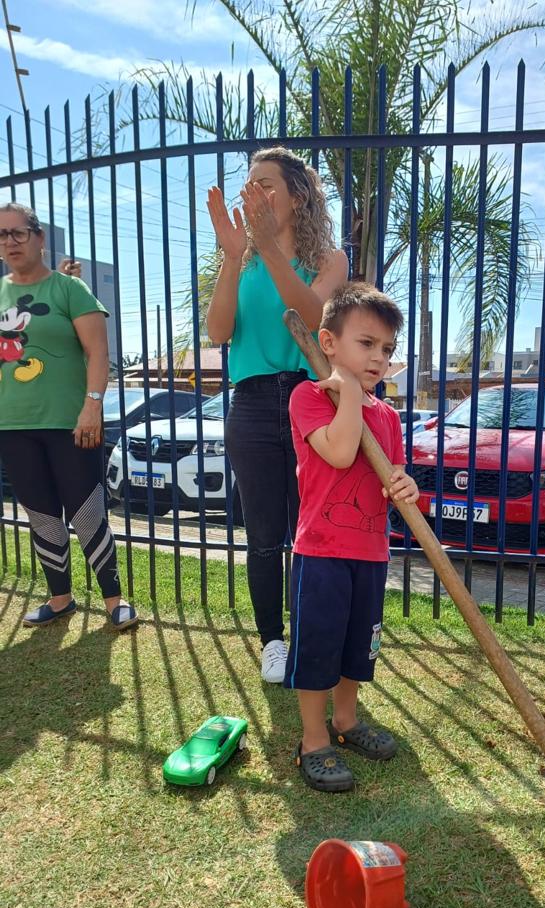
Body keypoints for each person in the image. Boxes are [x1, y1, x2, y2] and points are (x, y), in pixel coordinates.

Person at [206, 147, 348, 683]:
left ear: (299, 195)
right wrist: (232, 256)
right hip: (252, 402)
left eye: (267, 184)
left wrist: (267, 248)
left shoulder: (329, 259)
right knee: (264, 534)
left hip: (310, 399)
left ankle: (310, 632)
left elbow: (312, 317)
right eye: (251, 185)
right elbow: (218, 332)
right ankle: (272, 640)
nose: (256, 194)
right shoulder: (241, 264)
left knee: (313, 529)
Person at [285, 282, 419, 792]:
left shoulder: (388, 417)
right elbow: (341, 453)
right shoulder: (309, 398)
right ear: (329, 342)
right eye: (366, 344)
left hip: (371, 553)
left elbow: (394, 478)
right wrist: (347, 396)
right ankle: (313, 739)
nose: (379, 358)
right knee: (319, 647)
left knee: (357, 648)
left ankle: (346, 720)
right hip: (321, 553)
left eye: (386, 348)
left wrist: (405, 487)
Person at [0, 202, 137, 629]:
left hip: (71, 422)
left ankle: (114, 601)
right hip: (12, 426)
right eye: (2, 235)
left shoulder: (68, 288)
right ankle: (60, 599)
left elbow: (98, 351)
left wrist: (92, 404)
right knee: (41, 514)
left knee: (87, 512)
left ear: (39, 237)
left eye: (18, 232)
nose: (9, 242)